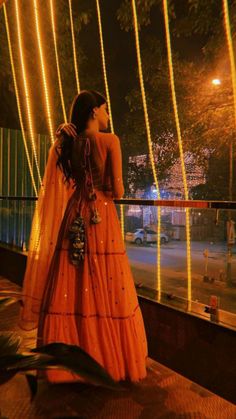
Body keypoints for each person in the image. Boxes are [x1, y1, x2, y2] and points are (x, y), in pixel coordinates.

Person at [21, 90, 147, 383]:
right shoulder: (110, 141)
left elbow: (61, 178)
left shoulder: (69, 143)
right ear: (94, 112)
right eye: (104, 109)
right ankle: (107, 361)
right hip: (101, 218)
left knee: (72, 285)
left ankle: (65, 365)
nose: (107, 115)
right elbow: (118, 191)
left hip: (75, 212)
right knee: (107, 285)